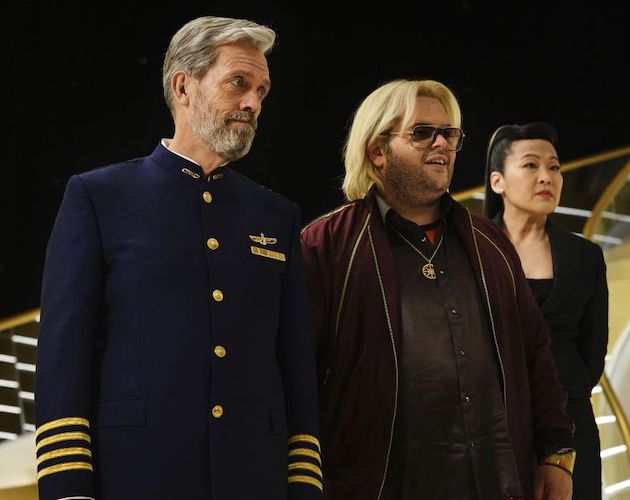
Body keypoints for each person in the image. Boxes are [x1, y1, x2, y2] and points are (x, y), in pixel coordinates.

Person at [34, 16, 322, 500]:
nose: (253, 103)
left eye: (261, 91)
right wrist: (68, 489)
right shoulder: (99, 198)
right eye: (238, 83)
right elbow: (64, 358)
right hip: (135, 477)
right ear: (183, 86)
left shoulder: (277, 216)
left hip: (255, 480)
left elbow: (294, 365)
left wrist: (303, 485)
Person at [300, 79, 576, 500]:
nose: (442, 144)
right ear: (377, 151)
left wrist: (556, 453)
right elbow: (297, 373)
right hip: (379, 486)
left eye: (449, 133)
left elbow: (536, 351)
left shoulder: (490, 242)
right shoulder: (326, 245)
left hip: (496, 482)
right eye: (422, 132)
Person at [484, 122, 609, 499]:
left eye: (554, 167)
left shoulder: (585, 255)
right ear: (497, 181)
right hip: (492, 426)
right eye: (530, 165)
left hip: (571, 423)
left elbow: (592, 351)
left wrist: (565, 390)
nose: (546, 177)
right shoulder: (474, 250)